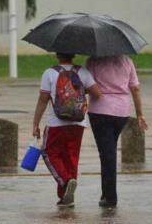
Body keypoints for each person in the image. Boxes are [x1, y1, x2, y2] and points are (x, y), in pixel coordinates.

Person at [32, 52, 101, 208]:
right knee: (71, 157)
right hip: (78, 123)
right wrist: (80, 90)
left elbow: (43, 100)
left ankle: (65, 180)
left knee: (49, 153)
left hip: (56, 122)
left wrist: (35, 123)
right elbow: (97, 93)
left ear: (57, 54)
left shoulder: (49, 73)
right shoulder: (82, 71)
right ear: (74, 54)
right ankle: (66, 198)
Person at [86, 55, 148, 208]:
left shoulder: (93, 60)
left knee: (107, 154)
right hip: (122, 112)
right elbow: (135, 88)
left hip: (100, 111)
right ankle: (106, 193)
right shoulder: (127, 61)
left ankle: (110, 197)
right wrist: (140, 113)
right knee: (109, 151)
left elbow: (86, 85)